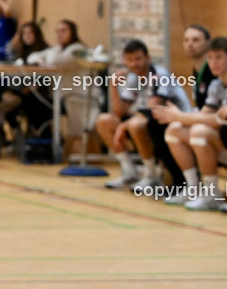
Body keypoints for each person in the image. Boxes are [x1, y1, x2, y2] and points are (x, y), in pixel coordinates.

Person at [96, 40, 191, 193]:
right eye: (130, 60)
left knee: (135, 124)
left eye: (138, 59)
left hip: (175, 123)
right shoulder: (133, 78)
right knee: (104, 121)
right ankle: (129, 171)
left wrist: (123, 126)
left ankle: (151, 175)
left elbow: (153, 109)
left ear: (148, 58)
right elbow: (120, 111)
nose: (134, 64)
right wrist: (113, 87)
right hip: (150, 121)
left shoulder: (159, 75)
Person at [154, 36, 227, 209]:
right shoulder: (216, 85)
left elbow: (216, 121)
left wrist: (180, 116)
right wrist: (181, 119)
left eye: (218, 57)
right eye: (210, 58)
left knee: (199, 131)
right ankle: (194, 188)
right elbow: (206, 116)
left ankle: (212, 194)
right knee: (175, 130)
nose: (213, 63)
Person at [183, 24, 214, 110]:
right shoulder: (196, 70)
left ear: (208, 43)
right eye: (186, 40)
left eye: (195, 40)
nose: (190, 44)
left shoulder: (214, 69)